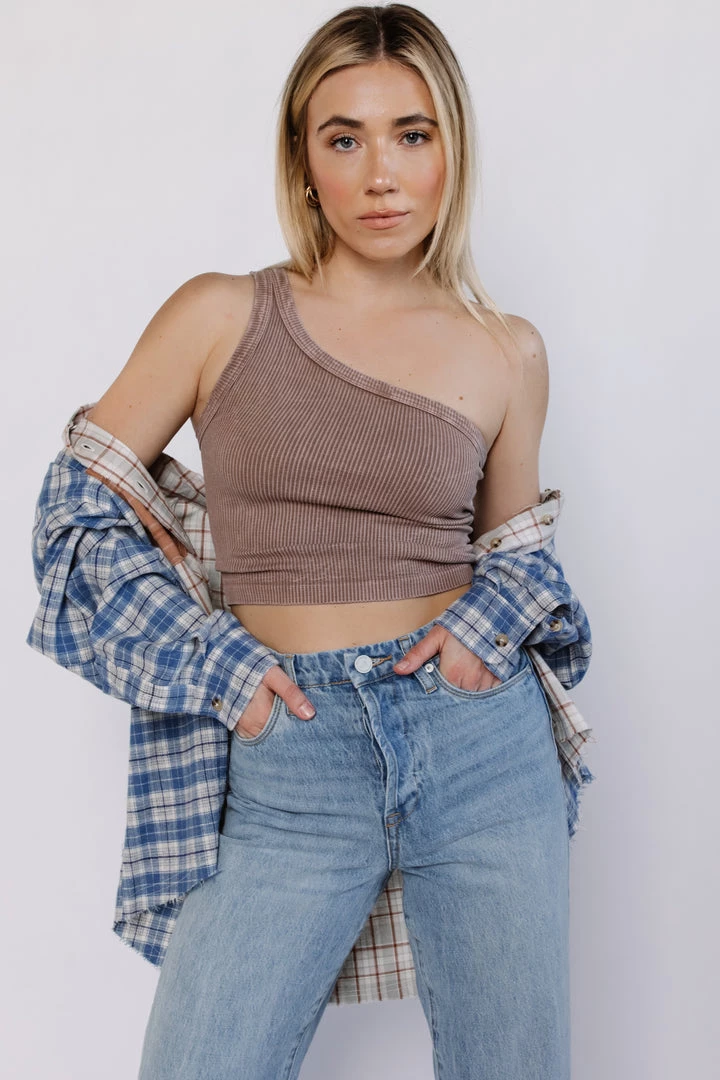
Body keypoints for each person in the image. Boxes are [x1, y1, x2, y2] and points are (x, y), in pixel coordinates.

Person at [27, 5, 595, 1078]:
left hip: (482, 747)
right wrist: (219, 666)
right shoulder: (220, 316)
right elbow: (76, 510)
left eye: (412, 135)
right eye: (345, 138)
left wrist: (478, 640)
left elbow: (518, 558)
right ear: (303, 159)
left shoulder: (506, 351)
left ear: (452, 149)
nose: (382, 175)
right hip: (289, 751)